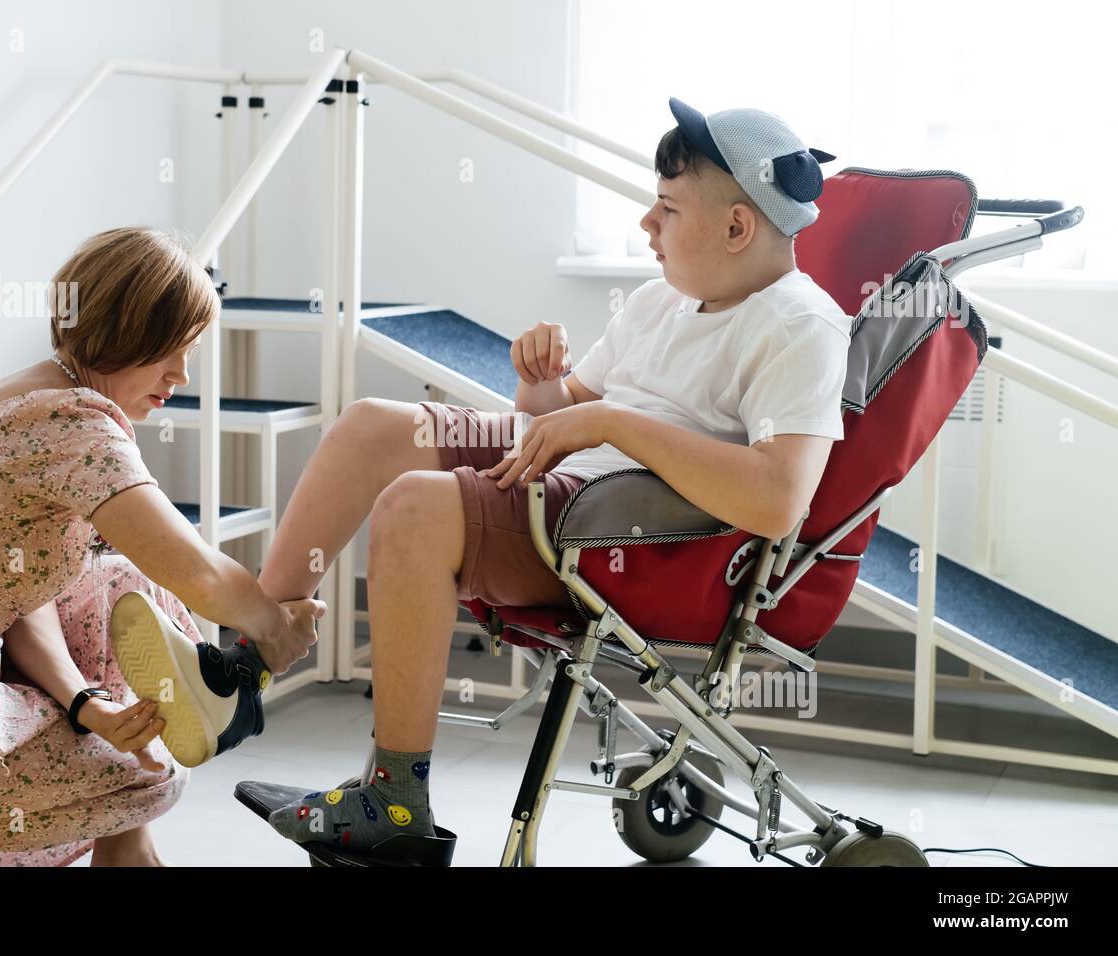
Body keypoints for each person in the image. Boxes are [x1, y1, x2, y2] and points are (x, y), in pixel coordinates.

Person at [114, 100, 853, 855]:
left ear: (737, 227)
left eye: (666, 207)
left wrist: (608, 424)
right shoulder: (662, 301)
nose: (646, 224)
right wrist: (543, 380)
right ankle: (249, 664)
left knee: (415, 507)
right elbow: (558, 416)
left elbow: (775, 499)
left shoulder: (799, 325)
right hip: (569, 477)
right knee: (374, 424)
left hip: (621, 529)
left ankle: (396, 804)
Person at [0, 226, 323, 866]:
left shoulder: (26, 395)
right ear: (124, 329)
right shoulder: (68, 424)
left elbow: (22, 592)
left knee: (117, 585)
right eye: (172, 349)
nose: (182, 373)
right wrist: (274, 625)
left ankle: (128, 846)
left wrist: (83, 705)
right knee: (151, 770)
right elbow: (197, 571)